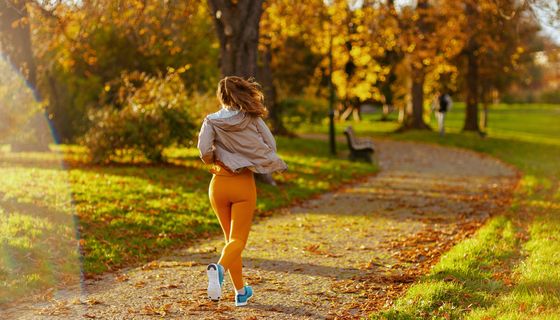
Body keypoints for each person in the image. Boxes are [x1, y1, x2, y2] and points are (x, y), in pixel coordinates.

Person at [197, 76, 287, 307]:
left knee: (230, 241)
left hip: (218, 183)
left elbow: (203, 149)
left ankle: (240, 292)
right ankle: (219, 269)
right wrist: (252, 155)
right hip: (242, 183)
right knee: (237, 240)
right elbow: (271, 145)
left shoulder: (211, 120)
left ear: (221, 96)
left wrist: (215, 158)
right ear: (242, 93)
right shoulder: (251, 118)